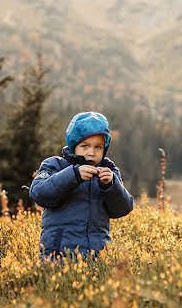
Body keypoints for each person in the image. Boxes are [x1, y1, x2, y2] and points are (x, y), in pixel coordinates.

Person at [30, 111, 134, 259]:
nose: (91, 152)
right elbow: (39, 194)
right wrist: (74, 175)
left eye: (98, 147)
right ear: (73, 146)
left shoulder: (109, 171)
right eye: (85, 146)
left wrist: (111, 185)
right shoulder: (55, 165)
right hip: (58, 256)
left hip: (97, 257)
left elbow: (123, 208)